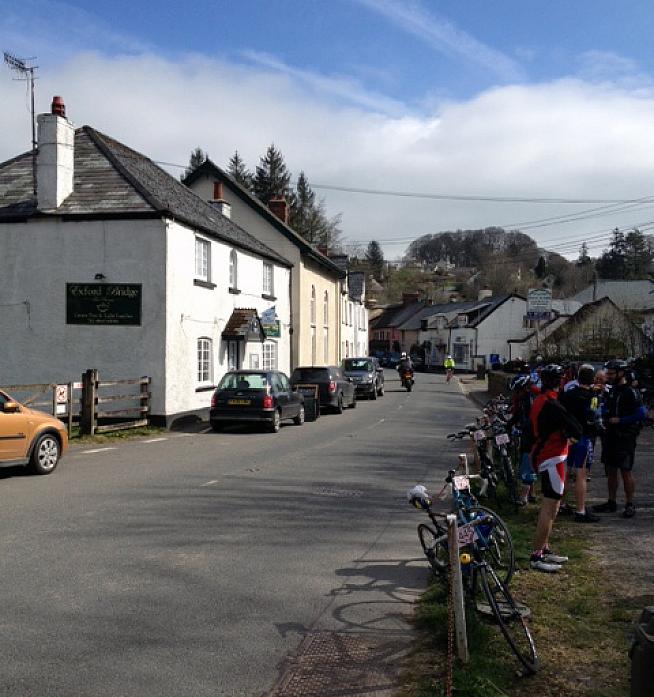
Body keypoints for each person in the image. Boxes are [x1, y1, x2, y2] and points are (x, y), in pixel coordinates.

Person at [529, 364, 583, 573]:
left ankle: (544, 548)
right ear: (558, 381)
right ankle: (536, 556)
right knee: (549, 507)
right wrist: (569, 438)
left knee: (555, 505)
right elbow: (576, 428)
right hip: (551, 457)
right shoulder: (551, 403)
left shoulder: (540, 399)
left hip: (547, 455)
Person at [594, 359, 647, 518]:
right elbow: (606, 407)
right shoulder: (612, 390)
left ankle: (629, 504)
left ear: (621, 373)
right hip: (610, 435)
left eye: (611, 374)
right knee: (611, 470)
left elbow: (641, 413)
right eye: (608, 373)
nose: (608, 376)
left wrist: (621, 420)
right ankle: (611, 502)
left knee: (625, 471)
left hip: (625, 437)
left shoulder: (630, 391)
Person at [559, 365, 601, 523]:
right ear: (592, 380)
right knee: (581, 474)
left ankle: (560, 504)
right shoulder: (593, 397)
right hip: (582, 437)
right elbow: (593, 416)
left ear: (577, 378)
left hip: (568, 437)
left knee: (566, 471)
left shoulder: (568, 395)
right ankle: (581, 510)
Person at [507, 375, 538, 505]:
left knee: (527, 464)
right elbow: (517, 416)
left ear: (524, 388)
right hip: (528, 435)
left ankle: (524, 497)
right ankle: (531, 494)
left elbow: (530, 420)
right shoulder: (523, 399)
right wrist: (509, 424)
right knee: (528, 464)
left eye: (517, 391)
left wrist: (521, 426)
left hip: (532, 437)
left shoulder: (530, 400)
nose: (515, 393)